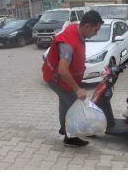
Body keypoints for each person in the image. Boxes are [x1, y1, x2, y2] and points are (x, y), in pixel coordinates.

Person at [42, 10, 103, 147]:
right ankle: (71, 137)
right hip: (56, 78)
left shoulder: (76, 29)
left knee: (65, 103)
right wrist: (78, 90)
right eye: (96, 30)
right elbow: (62, 70)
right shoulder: (68, 44)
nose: (96, 33)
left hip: (62, 78)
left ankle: (65, 131)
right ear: (87, 26)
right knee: (75, 105)